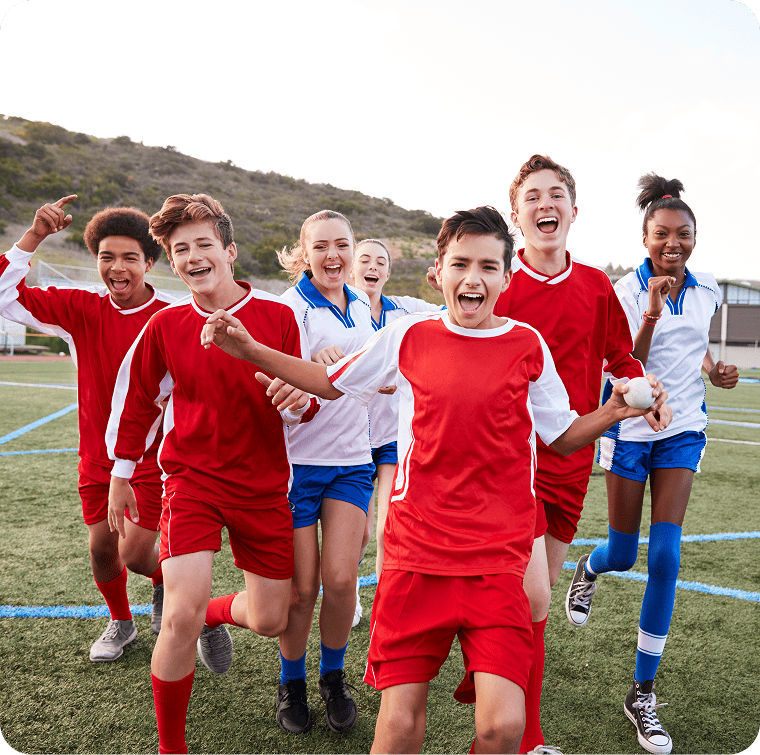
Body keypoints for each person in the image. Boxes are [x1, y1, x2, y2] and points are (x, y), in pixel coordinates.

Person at [200, 205, 670, 755]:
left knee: (503, 727)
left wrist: (612, 412)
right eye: (461, 264)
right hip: (417, 557)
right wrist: (251, 350)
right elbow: (329, 382)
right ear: (439, 272)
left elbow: (561, 435)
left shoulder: (527, 344)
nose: (474, 278)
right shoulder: (408, 335)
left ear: (506, 278)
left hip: (498, 559)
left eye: (488, 267)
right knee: (400, 726)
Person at [430, 156, 660, 755]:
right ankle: (522, 733)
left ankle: (497, 691)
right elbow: (452, 333)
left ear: (573, 210)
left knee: (539, 596)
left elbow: (620, 357)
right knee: (530, 596)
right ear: (517, 215)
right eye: (531, 196)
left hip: (571, 457)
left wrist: (643, 389)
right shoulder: (498, 284)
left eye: (555, 194)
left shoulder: (596, 287)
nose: (544, 204)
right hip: (506, 464)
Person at [106, 193, 318, 755]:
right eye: (181, 250)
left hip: (263, 486)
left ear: (229, 251)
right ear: (173, 263)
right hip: (191, 481)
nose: (194, 256)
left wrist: (297, 399)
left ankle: (216, 615)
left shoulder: (277, 317)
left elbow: (306, 398)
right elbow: (139, 404)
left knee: (271, 619)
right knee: (179, 613)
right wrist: (121, 473)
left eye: (204, 244)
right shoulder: (165, 325)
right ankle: (170, 747)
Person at [564, 174, 738, 755]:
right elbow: (625, 361)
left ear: (695, 238)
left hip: (682, 430)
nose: (673, 242)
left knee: (665, 556)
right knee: (622, 551)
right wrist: (653, 313)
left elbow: (696, 345)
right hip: (629, 430)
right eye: (661, 233)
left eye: (682, 234)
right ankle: (591, 567)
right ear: (645, 238)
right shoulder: (623, 291)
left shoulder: (708, 289)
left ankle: (642, 693)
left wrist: (713, 370)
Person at [0, 196, 173, 662]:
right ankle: (121, 621)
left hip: (151, 461)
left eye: (130, 258)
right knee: (101, 550)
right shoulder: (80, 307)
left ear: (149, 263)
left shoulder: (171, 316)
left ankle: (165, 582)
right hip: (97, 459)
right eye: (106, 257)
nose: (117, 268)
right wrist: (34, 235)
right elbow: (2, 294)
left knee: (136, 555)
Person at [269, 210, 375, 734]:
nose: (333, 255)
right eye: (321, 246)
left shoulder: (365, 305)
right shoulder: (290, 309)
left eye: (342, 245)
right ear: (303, 254)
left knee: (340, 579)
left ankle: (333, 677)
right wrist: (314, 366)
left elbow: (373, 378)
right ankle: (291, 682)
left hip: (352, 462)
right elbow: (277, 387)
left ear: (353, 249)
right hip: (297, 467)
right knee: (301, 588)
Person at [350, 238, 442, 585]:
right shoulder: (340, 313)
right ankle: (351, 591)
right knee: (359, 534)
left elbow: (451, 313)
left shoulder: (404, 309)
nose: (372, 267)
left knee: (387, 527)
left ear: (388, 273)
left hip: (391, 439)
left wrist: (444, 286)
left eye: (380, 262)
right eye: (364, 260)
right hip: (352, 440)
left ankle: (382, 609)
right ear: (352, 268)